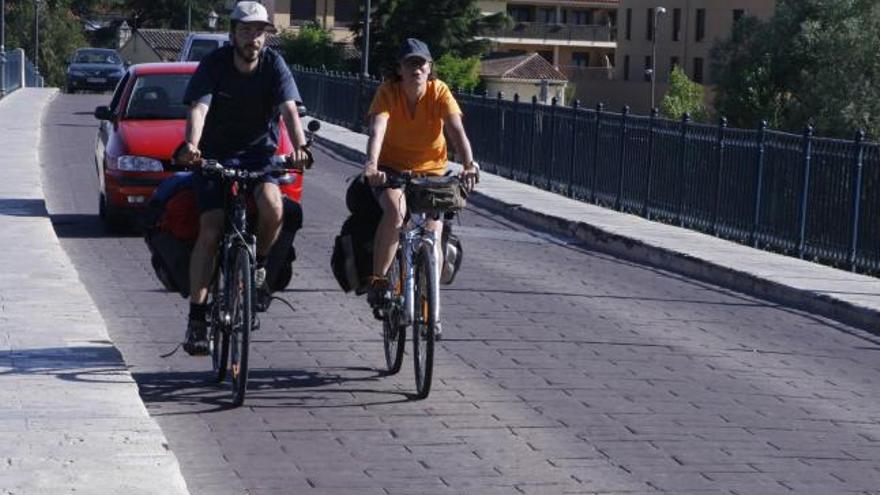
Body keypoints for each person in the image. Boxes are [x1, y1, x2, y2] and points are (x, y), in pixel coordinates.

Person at [177, 1, 311, 355]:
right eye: (247, 30)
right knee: (211, 227)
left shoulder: (274, 64)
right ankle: (197, 316)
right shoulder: (214, 64)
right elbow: (199, 108)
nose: (254, 38)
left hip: (259, 156)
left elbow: (289, 110)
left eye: (260, 31)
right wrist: (192, 144)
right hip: (215, 155)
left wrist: (299, 146)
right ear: (233, 32)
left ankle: (261, 265)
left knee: (273, 206)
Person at [362, 38, 479, 338]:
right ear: (399, 69)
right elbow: (378, 129)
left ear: (430, 68)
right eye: (411, 63)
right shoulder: (387, 92)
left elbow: (456, 129)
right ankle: (379, 281)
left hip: (432, 174)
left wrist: (469, 163)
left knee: (433, 233)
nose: (417, 68)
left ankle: (432, 312)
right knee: (396, 211)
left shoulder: (440, 92)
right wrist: (372, 166)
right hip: (391, 170)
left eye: (422, 63)